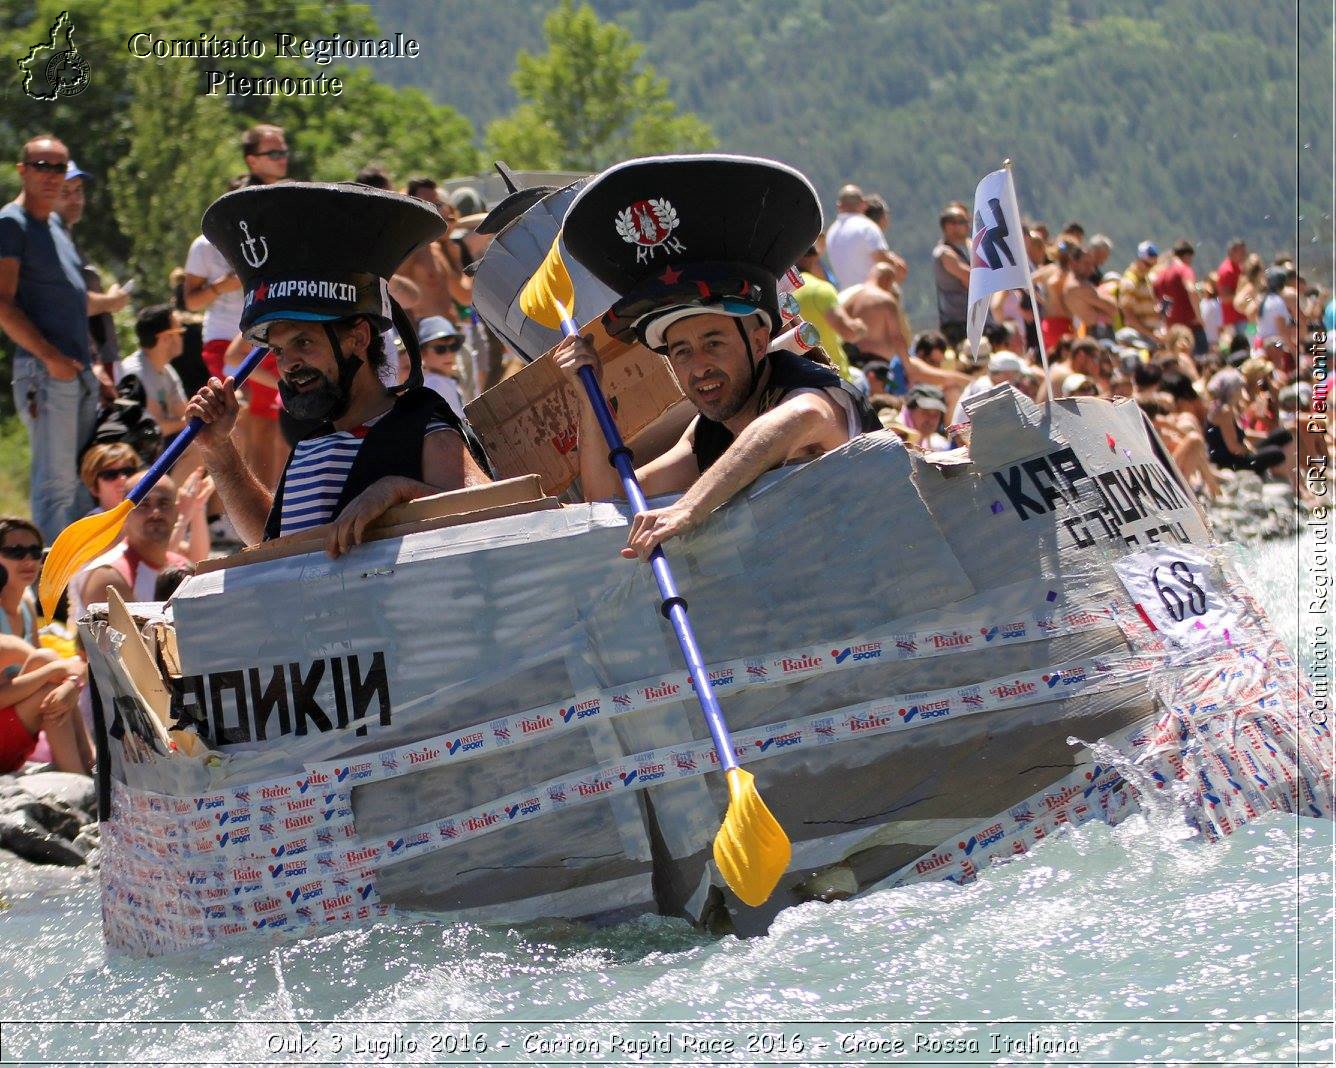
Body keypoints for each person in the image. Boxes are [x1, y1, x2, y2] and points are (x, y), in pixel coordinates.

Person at [548, 155, 880, 561]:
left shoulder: (809, 392)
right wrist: (588, 394)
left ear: (759, 343)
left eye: (714, 343)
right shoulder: (707, 432)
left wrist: (688, 507)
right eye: (681, 351)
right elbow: (610, 499)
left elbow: (796, 421)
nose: (698, 365)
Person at [183, 182, 491, 557]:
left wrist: (400, 491)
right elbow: (278, 547)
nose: (288, 363)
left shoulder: (423, 424)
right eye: (278, 350)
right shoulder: (312, 445)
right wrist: (219, 452)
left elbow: (488, 513)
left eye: (304, 342)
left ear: (359, 338)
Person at [0, 135, 131, 542]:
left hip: (77, 371)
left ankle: (77, 586)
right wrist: (50, 357)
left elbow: (72, 302)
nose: (52, 176)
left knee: (79, 483)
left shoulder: (55, 225)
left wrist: (93, 363)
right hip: (45, 371)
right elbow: (3, 304)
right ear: (23, 170)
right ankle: (52, 595)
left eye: (59, 167)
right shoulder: (11, 223)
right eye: (42, 166)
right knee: (55, 488)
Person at [71, 472, 191, 619]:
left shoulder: (181, 566)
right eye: (143, 505)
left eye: (164, 504)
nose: (155, 513)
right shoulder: (109, 577)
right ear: (125, 514)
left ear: (176, 511)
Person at [793, 246, 865, 381]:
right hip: (832, 378)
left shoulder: (779, 289)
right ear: (815, 258)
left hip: (794, 377)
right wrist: (860, 326)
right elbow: (849, 332)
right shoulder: (821, 289)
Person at [117, 304, 189, 437]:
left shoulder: (167, 371)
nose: (183, 337)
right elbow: (156, 427)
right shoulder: (136, 373)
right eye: (180, 332)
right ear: (165, 338)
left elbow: (185, 414)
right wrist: (192, 422)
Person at [1204, 368, 1290, 478]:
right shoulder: (1224, 412)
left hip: (1238, 454)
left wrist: (1265, 437)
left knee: (1282, 434)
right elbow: (1234, 448)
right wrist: (1251, 451)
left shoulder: (1227, 407)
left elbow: (1242, 434)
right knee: (1276, 453)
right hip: (1231, 462)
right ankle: (1289, 483)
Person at [843, 262, 912, 368]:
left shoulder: (851, 298)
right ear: (889, 280)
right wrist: (908, 366)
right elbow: (897, 337)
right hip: (876, 365)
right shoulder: (885, 299)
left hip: (851, 360)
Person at [824, 184, 893, 290]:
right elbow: (883, 260)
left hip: (843, 296)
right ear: (864, 204)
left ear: (839, 206)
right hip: (868, 294)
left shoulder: (831, 232)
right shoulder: (868, 227)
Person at [1153, 240, 1205, 355]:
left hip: (1171, 329)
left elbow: (1157, 301)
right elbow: (1191, 290)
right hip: (1189, 326)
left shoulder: (1161, 275)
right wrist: (1199, 316)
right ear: (1187, 256)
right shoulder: (1184, 270)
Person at [932, 205, 971, 346]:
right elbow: (970, 279)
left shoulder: (961, 251)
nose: (968, 226)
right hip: (956, 324)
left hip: (968, 320)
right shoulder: (944, 253)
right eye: (962, 221)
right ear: (949, 226)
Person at [416, 316, 466, 418]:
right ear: (423, 353)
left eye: (453, 347)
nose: (449, 354)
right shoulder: (435, 383)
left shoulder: (440, 380)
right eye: (440, 349)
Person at [1119, 241, 1162, 339]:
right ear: (1139, 260)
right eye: (1147, 264)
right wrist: (1150, 335)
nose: (1149, 268)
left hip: (1152, 333)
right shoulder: (1129, 282)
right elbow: (1129, 317)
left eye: (1153, 265)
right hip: (1139, 337)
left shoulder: (1147, 278)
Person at [1216, 238, 1248, 339]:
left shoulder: (1239, 267)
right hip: (1234, 320)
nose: (1244, 254)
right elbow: (1224, 298)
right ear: (1232, 252)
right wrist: (1244, 296)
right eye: (1241, 252)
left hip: (1243, 317)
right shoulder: (1226, 271)